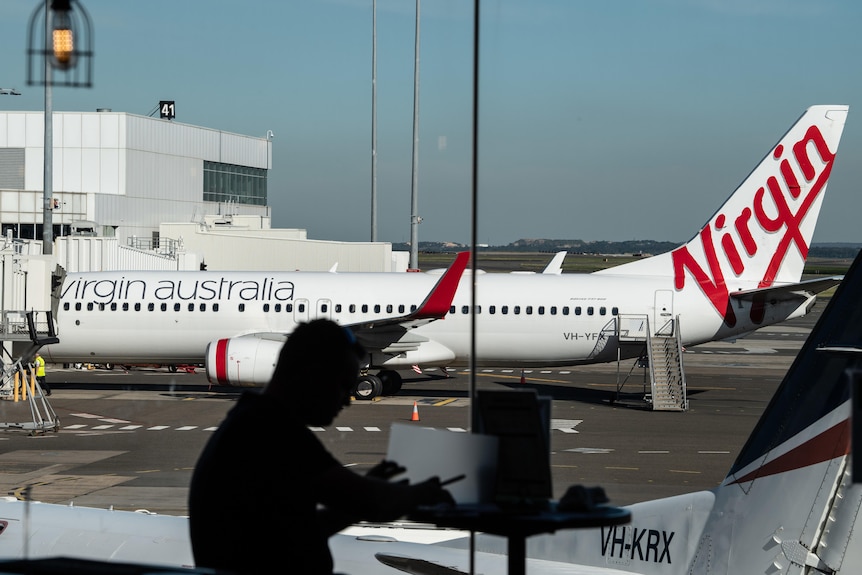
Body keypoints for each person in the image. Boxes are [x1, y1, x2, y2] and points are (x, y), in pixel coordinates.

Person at [188, 319, 453, 575]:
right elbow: (373, 503)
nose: (346, 402)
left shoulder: (253, 420)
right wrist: (424, 493)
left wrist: (367, 489)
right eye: (341, 386)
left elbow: (305, 530)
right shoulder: (273, 433)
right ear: (312, 376)